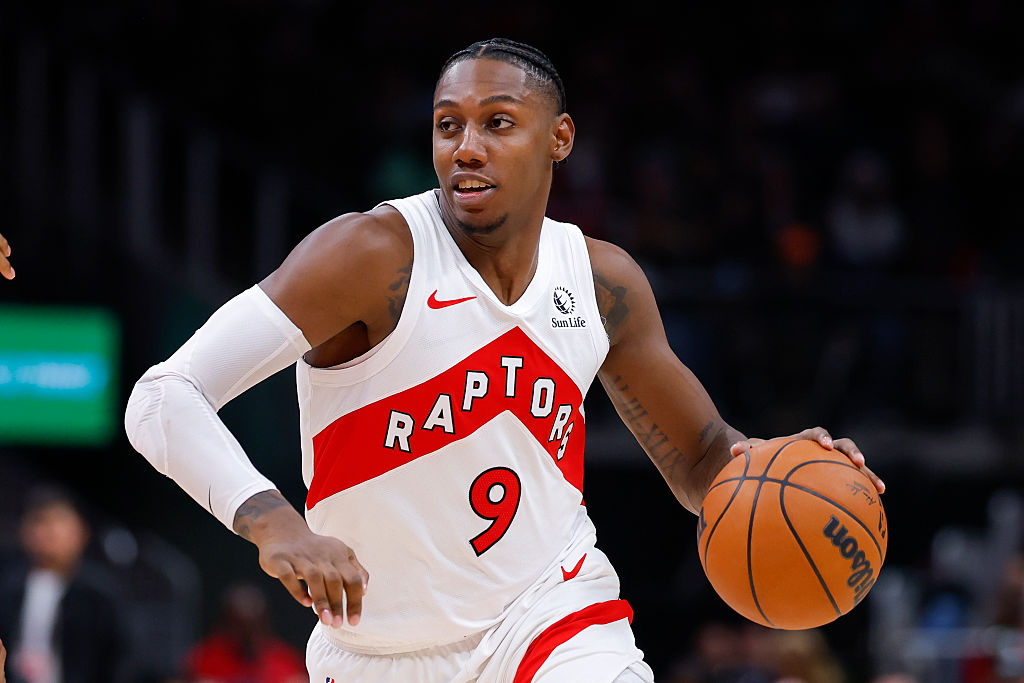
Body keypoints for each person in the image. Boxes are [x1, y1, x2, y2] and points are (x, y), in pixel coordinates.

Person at [123, 38, 884, 682]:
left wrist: (786, 469)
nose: (466, 146)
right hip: (376, 649)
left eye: (497, 123)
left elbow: (702, 458)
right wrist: (272, 523)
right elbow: (163, 396)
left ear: (559, 138)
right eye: (447, 124)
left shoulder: (602, 280)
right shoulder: (369, 255)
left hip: (550, 616)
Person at [0, 484, 126, 683]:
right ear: (24, 532)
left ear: (81, 532)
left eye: (59, 522)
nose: (51, 533)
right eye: (41, 522)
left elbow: (121, 660)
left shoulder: (101, 594)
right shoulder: (7, 588)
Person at [182, 582, 305, 683]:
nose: (249, 634)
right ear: (226, 623)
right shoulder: (204, 657)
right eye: (241, 626)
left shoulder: (284, 658)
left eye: (254, 626)